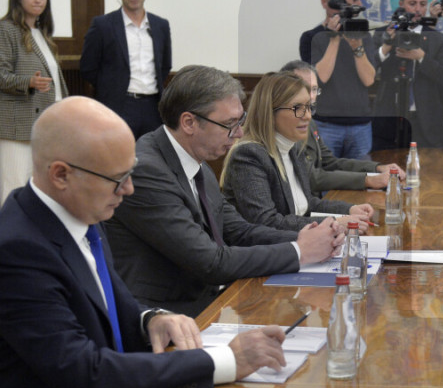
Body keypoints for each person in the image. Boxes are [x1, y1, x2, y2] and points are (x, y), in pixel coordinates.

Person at [0, 96, 288, 388]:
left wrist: (151, 319)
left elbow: (109, 305)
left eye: (130, 174)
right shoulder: (18, 249)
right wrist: (225, 360)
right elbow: (84, 372)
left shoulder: (80, 209)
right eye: (117, 179)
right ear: (61, 175)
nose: (129, 190)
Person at [104, 65, 343, 317]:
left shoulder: (197, 162)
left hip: (208, 301)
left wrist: (307, 238)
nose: (239, 133)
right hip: (167, 315)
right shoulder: (147, 172)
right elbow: (210, 262)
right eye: (229, 124)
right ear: (189, 123)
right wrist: (300, 251)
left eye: (240, 120)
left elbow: (239, 231)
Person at [221, 71, 374, 231]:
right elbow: (266, 222)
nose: (307, 116)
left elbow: (306, 204)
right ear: (270, 112)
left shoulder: (293, 148)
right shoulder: (249, 155)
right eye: (298, 108)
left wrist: (349, 209)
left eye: (308, 107)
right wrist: (334, 223)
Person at [280, 60, 403, 192]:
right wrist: (367, 180)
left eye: (314, 89)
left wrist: (377, 168)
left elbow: (329, 162)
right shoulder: (282, 125)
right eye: (304, 88)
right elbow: (310, 177)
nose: (311, 96)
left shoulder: (310, 123)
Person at [80, 0, 172, 139]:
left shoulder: (161, 25)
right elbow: (88, 67)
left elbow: (165, 65)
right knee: (118, 153)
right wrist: (111, 88)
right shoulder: (103, 25)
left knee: (151, 153)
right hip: (119, 105)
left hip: (154, 106)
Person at [0, 0, 67, 204]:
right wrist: (28, 82)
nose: (38, 0)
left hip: (46, 124)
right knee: (13, 188)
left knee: (38, 191)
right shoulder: (6, 29)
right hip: (17, 127)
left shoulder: (42, 33)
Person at [372, 0, 443, 149]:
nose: (418, 9)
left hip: (424, 121)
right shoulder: (383, 33)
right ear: (401, 4)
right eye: (412, 3)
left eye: (422, 4)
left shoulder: (437, 39)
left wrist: (422, 58)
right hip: (389, 117)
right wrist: (387, 45)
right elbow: (370, 70)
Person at [306, 0, 377, 159]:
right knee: (324, 174)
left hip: (360, 124)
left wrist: (357, 46)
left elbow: (369, 80)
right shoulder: (311, 37)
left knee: (362, 174)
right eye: (338, 2)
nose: (343, 8)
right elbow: (320, 78)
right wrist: (334, 38)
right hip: (326, 124)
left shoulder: (363, 36)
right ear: (324, 2)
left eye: (349, 2)